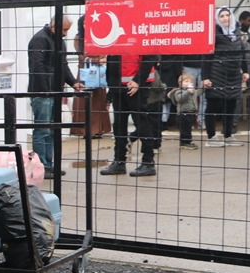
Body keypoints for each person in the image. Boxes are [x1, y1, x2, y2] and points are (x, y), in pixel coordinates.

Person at [27, 18, 86, 179]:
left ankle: (49, 164)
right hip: (42, 92)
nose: (65, 34)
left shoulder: (59, 41)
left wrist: (73, 83)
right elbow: (37, 67)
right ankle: (42, 166)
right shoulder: (39, 39)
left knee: (53, 130)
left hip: (55, 92)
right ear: (55, 26)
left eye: (67, 30)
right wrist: (46, 90)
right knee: (43, 130)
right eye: (64, 30)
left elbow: (63, 65)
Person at [100, 54, 161, 177]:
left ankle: (148, 162)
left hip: (136, 84)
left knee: (141, 122)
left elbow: (151, 57)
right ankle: (119, 160)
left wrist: (138, 80)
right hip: (118, 84)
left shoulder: (141, 35)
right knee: (119, 124)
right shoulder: (116, 36)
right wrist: (111, 87)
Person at [201, 7, 250, 147]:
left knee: (231, 106)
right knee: (213, 105)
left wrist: (245, 71)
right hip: (216, 73)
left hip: (234, 74)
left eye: (227, 15)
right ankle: (211, 137)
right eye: (221, 16)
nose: (225, 18)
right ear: (217, 19)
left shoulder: (237, 32)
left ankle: (228, 135)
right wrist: (206, 77)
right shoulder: (214, 33)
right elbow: (206, 56)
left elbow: (242, 53)